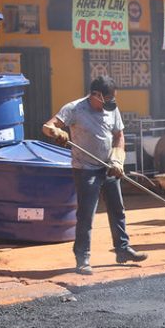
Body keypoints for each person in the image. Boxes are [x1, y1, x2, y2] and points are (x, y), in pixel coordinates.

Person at [42, 75, 148, 275]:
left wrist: (117, 160)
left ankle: (123, 250)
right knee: (86, 214)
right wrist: (57, 132)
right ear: (96, 95)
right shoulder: (74, 109)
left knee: (118, 209)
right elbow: (48, 126)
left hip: (108, 167)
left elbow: (119, 136)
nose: (110, 103)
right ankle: (82, 258)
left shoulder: (112, 109)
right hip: (85, 169)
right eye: (107, 99)